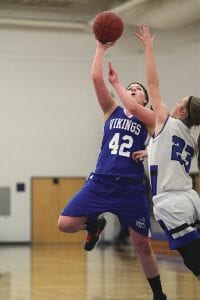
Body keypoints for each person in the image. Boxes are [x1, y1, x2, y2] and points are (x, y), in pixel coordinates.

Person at [57, 39, 167, 300]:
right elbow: (96, 79)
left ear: (145, 99)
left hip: (131, 188)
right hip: (102, 182)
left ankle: (159, 295)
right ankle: (94, 224)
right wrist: (100, 47)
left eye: (138, 89)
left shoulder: (150, 119)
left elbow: (162, 144)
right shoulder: (111, 110)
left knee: (142, 245)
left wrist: (150, 151)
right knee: (65, 224)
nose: (132, 90)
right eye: (129, 87)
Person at [117, 24, 200, 281]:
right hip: (192, 199)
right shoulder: (189, 135)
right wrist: (150, 151)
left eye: (179, 102)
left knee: (196, 264)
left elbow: (152, 82)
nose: (174, 103)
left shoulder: (164, 120)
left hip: (173, 203)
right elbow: (166, 151)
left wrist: (149, 47)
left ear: (183, 112)